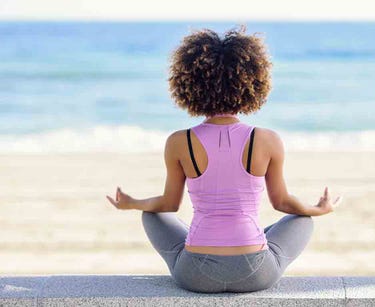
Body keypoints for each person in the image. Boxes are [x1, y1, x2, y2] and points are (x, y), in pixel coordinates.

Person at [106, 24, 342, 293]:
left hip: (196, 275)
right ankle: (249, 239)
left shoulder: (178, 141)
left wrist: (132, 203)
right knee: (301, 219)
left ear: (189, 85)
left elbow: (169, 204)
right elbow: (283, 203)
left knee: (151, 215)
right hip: (255, 273)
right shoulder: (267, 139)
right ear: (253, 82)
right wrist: (319, 209)